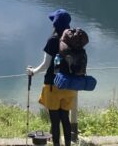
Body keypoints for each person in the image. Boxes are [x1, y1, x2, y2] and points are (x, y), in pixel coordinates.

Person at [27, 8, 79, 146]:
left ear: (55, 24)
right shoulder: (74, 39)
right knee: (65, 118)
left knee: (55, 121)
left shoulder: (53, 40)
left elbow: (45, 65)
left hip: (53, 86)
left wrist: (33, 72)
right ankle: (68, 144)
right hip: (70, 85)